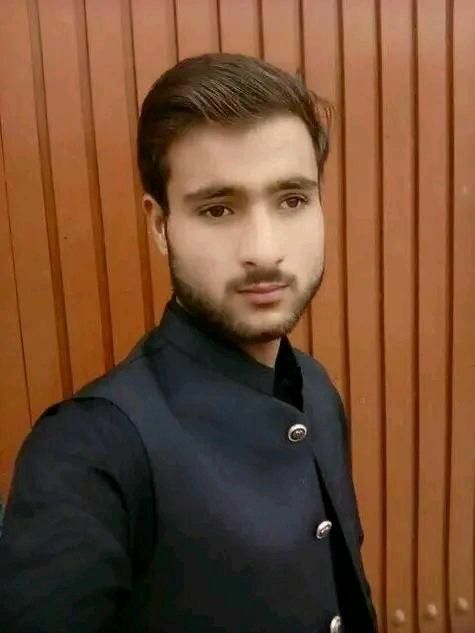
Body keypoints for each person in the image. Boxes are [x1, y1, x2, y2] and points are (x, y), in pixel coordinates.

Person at [0, 53, 377, 633]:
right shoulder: (86, 452)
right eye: (218, 208)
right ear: (160, 225)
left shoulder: (317, 390)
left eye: (292, 200)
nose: (264, 250)